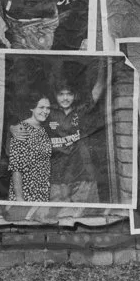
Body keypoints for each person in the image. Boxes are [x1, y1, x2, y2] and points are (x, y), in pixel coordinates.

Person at [46, 69, 107, 203]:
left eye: (69, 94)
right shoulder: (48, 112)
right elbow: (30, 117)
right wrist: (13, 127)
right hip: (57, 176)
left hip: (82, 174)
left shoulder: (80, 111)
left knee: (86, 212)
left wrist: (103, 65)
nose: (65, 98)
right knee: (59, 213)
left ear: (75, 95)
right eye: (61, 94)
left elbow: (98, 88)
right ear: (55, 95)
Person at [7, 95, 53, 202]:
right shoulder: (22, 129)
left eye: (48, 108)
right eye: (41, 107)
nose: (45, 111)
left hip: (42, 190)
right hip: (26, 191)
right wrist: (19, 198)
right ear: (32, 108)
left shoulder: (43, 129)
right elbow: (16, 168)